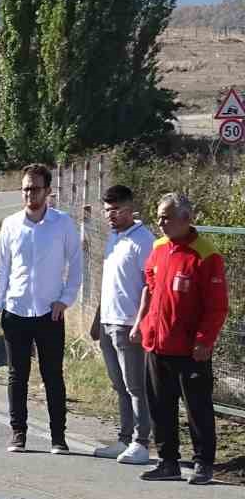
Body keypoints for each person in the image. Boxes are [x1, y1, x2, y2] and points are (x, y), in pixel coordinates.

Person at [132, 193, 230, 485]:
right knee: (160, 405)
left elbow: (217, 306)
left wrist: (204, 340)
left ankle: (203, 463)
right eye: (159, 216)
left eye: (166, 217)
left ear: (186, 219)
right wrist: (141, 323)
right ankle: (168, 461)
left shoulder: (206, 254)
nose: (160, 222)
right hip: (157, 343)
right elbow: (150, 287)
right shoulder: (159, 247)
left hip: (190, 349)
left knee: (197, 407)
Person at [0, 164, 83, 455]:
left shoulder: (62, 224)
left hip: (49, 312)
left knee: (52, 375)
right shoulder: (11, 224)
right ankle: (18, 433)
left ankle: (58, 437)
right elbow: (1, 267)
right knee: (17, 375)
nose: (30, 194)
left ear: (47, 191)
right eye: (26, 188)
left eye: (36, 188)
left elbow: (77, 263)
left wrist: (65, 300)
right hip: (16, 311)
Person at [90, 185, 157, 466]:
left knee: (135, 386)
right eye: (107, 210)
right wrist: (97, 320)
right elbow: (109, 285)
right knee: (119, 385)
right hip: (108, 321)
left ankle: (141, 442)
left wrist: (141, 322)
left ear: (130, 208)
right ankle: (124, 437)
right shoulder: (113, 239)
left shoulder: (143, 240)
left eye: (116, 210)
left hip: (129, 324)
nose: (111, 216)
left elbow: (150, 286)